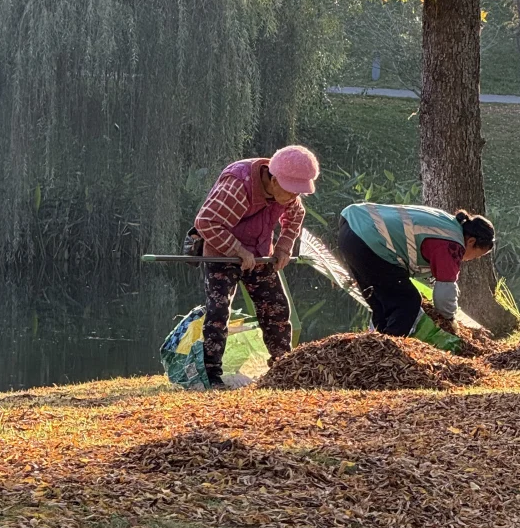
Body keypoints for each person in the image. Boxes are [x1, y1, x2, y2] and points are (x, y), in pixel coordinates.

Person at [190, 145, 320, 389]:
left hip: (260, 253)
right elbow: (206, 222)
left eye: (298, 191)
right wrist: (238, 250)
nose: (294, 197)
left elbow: (295, 217)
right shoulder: (238, 185)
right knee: (218, 311)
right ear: (272, 180)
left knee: (277, 308)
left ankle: (284, 368)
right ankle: (211, 376)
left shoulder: (288, 193)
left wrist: (282, 248)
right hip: (222, 251)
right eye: (291, 190)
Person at [336, 202, 495, 338]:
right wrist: (449, 321)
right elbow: (445, 293)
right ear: (471, 241)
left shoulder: (447, 222)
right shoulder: (453, 245)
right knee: (408, 302)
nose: (467, 260)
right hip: (370, 241)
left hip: (350, 228)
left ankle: (374, 345)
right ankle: (389, 354)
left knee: (381, 304)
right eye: (474, 256)